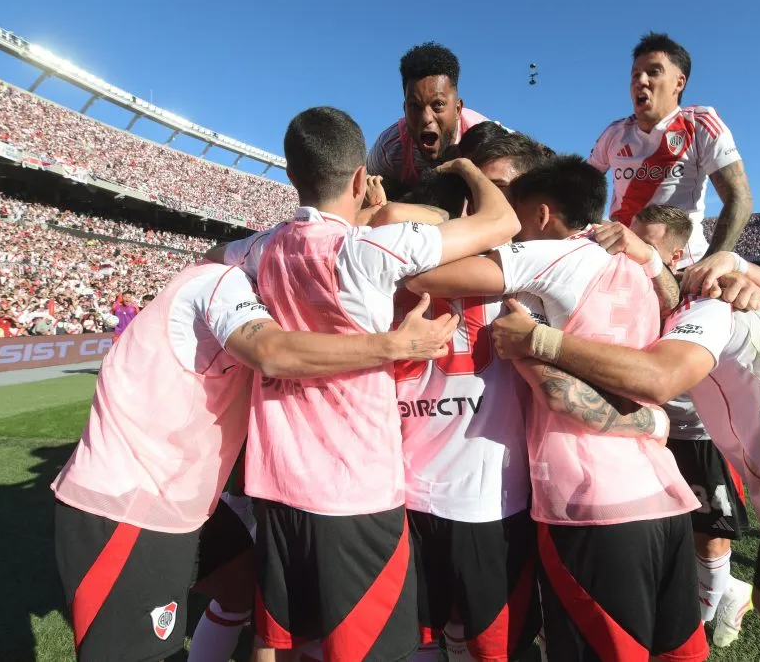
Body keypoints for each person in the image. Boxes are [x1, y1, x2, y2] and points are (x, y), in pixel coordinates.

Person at [490, 218, 760, 662]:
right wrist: (736, 262)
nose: (618, 250)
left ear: (676, 262)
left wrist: (538, 338)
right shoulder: (751, 298)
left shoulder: (706, 305)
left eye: (636, 247)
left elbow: (660, 378)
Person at [218, 107, 521, 662]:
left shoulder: (262, 248)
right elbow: (503, 224)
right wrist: (470, 172)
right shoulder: (368, 250)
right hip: (354, 491)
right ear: (361, 178)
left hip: (276, 480)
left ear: (292, 177)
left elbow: (213, 259)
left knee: (276, 638)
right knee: (367, 648)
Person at [50, 258, 458, 662]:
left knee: (245, 588)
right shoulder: (221, 282)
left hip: (184, 505)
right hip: (131, 504)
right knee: (141, 654)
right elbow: (270, 353)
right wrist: (396, 345)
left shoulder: (251, 290)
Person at [405, 156, 709, 662]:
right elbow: (672, 298)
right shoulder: (638, 267)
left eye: (517, 214)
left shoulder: (547, 255)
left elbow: (421, 276)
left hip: (590, 504)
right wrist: (655, 262)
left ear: (542, 216)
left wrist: (524, 346)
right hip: (663, 493)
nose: (513, 229)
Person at [391, 129, 549, 662]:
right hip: (411, 491)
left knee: (483, 644)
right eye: (489, 188)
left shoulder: (544, 265)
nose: (499, 204)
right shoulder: (410, 250)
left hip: (487, 497)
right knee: (426, 637)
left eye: (507, 189)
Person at [628, 207, 756, 646]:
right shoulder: (624, 282)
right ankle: (728, 592)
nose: (634, 249)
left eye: (648, 243)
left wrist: (739, 274)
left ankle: (701, 623)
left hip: (703, 436)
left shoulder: (705, 290)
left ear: (678, 253)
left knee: (711, 536)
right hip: (653, 431)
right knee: (669, 534)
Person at [587, 31, 752, 271]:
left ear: (679, 82)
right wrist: (594, 223)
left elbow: (740, 198)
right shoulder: (614, 133)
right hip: (624, 262)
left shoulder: (700, 123)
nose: (640, 81)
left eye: (653, 72)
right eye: (635, 75)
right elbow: (578, 189)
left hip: (680, 265)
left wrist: (708, 266)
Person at [367, 43, 491, 197]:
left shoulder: (487, 141)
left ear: (458, 109)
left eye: (438, 104)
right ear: (404, 109)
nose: (426, 118)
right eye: (415, 106)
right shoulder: (388, 148)